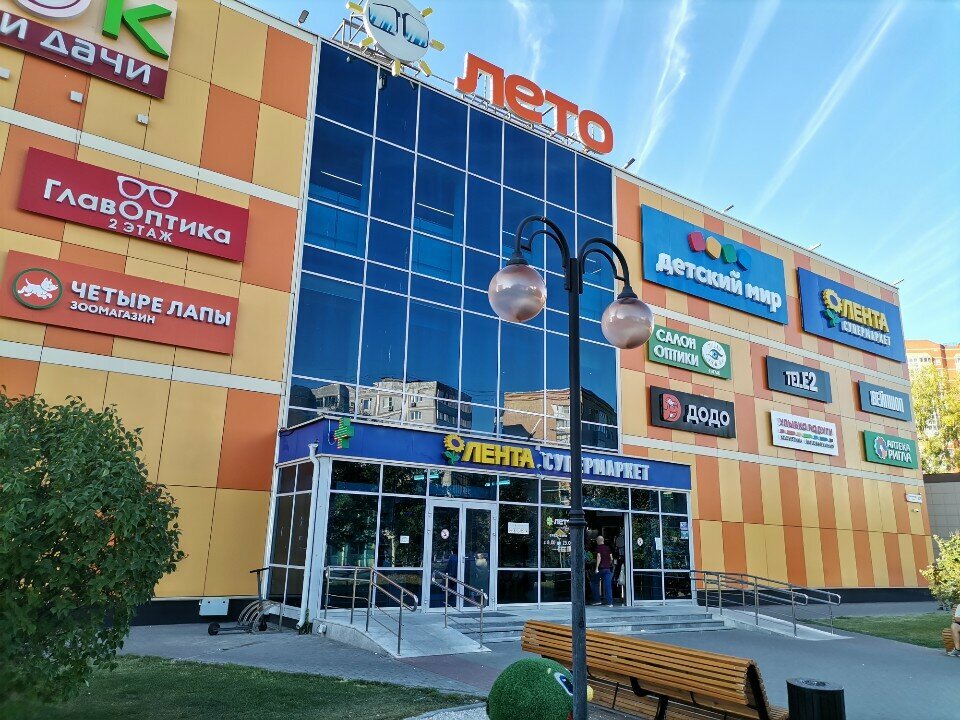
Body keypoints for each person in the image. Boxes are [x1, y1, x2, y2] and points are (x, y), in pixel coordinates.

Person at [590, 535, 614, 607]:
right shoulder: (608, 548)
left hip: (601, 568)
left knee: (594, 583)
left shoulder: (598, 547)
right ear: (603, 540)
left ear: (598, 541)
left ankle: (597, 600)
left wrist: (596, 568)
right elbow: (611, 558)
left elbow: (598, 556)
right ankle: (609, 603)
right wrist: (608, 564)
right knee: (608, 586)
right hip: (607, 569)